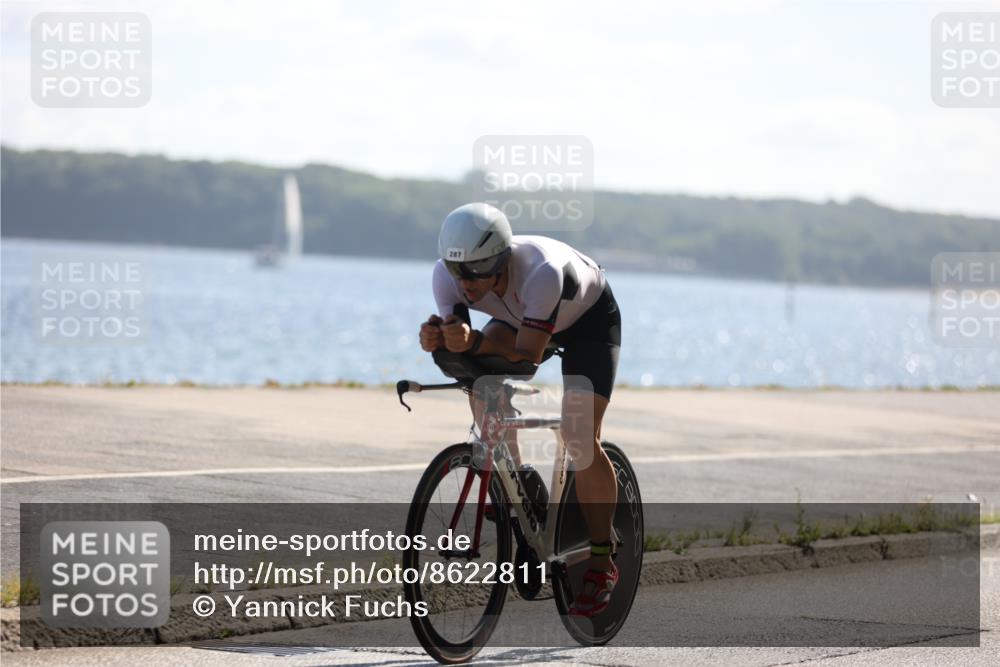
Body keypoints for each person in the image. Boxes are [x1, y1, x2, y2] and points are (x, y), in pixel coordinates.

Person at [418, 202, 623, 617]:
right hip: (519, 318)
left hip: (587, 324)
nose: (467, 283)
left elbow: (526, 361)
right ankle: (519, 488)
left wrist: (473, 343)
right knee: (480, 384)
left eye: (477, 270)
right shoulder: (447, 275)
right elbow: (467, 347)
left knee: (580, 436)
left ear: (501, 259)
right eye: (460, 272)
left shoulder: (542, 272)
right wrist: (439, 338)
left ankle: (602, 561)